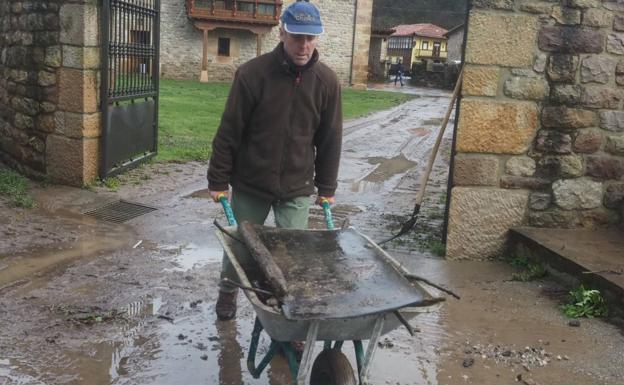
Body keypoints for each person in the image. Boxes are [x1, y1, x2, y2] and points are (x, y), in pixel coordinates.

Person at [208, 0, 342, 321]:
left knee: (292, 255)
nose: (304, 45)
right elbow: (230, 130)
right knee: (239, 247)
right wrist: (217, 179)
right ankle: (228, 292)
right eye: (297, 36)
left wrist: (327, 186)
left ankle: (288, 317)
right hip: (252, 182)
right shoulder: (252, 75)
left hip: (296, 186)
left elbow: (330, 140)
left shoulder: (327, 83)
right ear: (281, 32)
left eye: (310, 38)